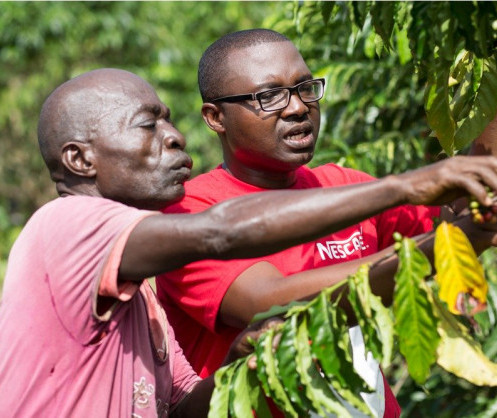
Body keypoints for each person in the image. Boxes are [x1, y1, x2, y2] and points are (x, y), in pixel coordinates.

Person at [2, 68, 494, 417]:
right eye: (149, 125)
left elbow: (184, 409)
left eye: (169, 121)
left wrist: (239, 362)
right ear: (80, 160)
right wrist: (405, 185)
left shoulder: (141, 303)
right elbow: (220, 231)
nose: (175, 137)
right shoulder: (65, 223)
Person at [155, 29, 497, 416]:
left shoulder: (343, 186)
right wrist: (447, 241)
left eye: (305, 88)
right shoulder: (189, 213)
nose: (298, 107)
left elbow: (466, 212)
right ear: (215, 117)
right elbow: (268, 304)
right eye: (270, 96)